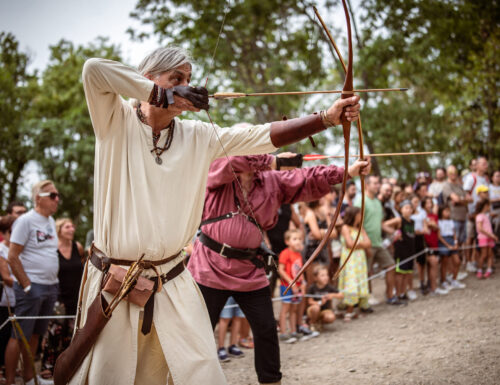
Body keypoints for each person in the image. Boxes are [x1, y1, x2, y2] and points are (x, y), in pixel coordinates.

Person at [76, 46, 362, 385]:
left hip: (171, 282)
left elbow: (260, 136)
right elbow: (94, 69)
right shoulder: (113, 119)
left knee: (202, 373)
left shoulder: (196, 135)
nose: (186, 87)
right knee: (114, 375)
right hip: (116, 279)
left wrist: (326, 118)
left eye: (189, 81)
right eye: (176, 79)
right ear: (149, 79)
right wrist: (162, 94)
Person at [188, 152, 369, 384]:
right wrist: (273, 161)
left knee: (266, 330)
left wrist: (348, 172)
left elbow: (307, 178)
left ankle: (271, 381)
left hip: (249, 269)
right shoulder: (218, 170)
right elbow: (231, 162)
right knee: (197, 335)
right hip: (210, 267)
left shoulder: (271, 180)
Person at [5, 180, 60, 385]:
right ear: (38, 198)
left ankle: (29, 378)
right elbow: (12, 256)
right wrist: (27, 285)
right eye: (53, 195)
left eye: (58, 195)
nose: (57, 199)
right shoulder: (25, 221)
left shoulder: (51, 221)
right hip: (32, 286)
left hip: (50, 285)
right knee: (19, 335)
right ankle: (10, 380)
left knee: (36, 334)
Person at [40, 218, 85, 378]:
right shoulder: (52, 248)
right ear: (59, 230)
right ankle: (48, 365)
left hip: (76, 294)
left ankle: (66, 366)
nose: (72, 229)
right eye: (68, 227)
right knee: (55, 331)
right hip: (58, 295)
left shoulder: (77, 247)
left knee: (72, 331)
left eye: (73, 226)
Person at [354, 176, 397, 305]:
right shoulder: (360, 201)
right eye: (375, 183)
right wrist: (365, 244)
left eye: (378, 183)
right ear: (366, 185)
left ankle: (390, 295)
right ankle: (368, 297)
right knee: (367, 271)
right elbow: (358, 225)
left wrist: (393, 232)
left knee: (391, 266)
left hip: (378, 242)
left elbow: (380, 223)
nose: (377, 185)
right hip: (366, 243)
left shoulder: (378, 203)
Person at [338, 206, 371, 320]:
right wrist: (361, 244)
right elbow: (349, 244)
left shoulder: (360, 228)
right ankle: (348, 310)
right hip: (350, 260)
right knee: (351, 282)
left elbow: (368, 243)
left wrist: (358, 245)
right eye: (359, 214)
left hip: (360, 260)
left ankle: (359, 307)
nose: (361, 216)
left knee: (359, 281)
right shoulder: (345, 228)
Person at [278, 229, 307, 343]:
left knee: (294, 309)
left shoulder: (298, 254)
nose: (298, 241)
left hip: (298, 287)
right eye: (294, 239)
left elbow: (300, 270)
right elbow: (281, 270)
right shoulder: (285, 253)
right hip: (286, 286)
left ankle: (293, 331)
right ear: (287, 241)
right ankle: (284, 333)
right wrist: (291, 283)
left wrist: (303, 283)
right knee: (285, 309)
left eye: (300, 239)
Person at [463, 156, 489, 271]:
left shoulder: (486, 179)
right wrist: (469, 211)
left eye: (486, 164)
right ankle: (468, 261)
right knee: (470, 237)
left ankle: (477, 261)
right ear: (477, 165)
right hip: (471, 213)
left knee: (480, 237)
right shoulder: (471, 178)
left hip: (482, 213)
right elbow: (466, 194)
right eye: (483, 164)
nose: (486, 166)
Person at [442, 165, 469, 264]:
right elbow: (456, 198)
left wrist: (460, 200)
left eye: (455, 173)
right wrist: (462, 200)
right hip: (453, 218)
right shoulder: (447, 185)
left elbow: (470, 199)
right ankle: (452, 267)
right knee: (454, 242)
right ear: (448, 174)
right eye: (451, 173)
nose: (453, 175)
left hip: (463, 216)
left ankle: (457, 267)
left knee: (462, 241)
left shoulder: (459, 185)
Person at [0, 215, 16, 375]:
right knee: (5, 336)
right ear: (4, 233)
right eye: (11, 232)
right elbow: (6, 277)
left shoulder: (20, 248)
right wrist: (28, 285)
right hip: (7, 301)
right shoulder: (1, 250)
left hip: (20, 299)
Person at [422, 197, 448, 295]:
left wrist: (432, 225)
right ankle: (433, 287)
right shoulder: (421, 215)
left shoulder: (434, 215)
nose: (429, 205)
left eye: (430, 203)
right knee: (434, 263)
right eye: (427, 203)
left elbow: (437, 227)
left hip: (434, 243)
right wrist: (429, 224)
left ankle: (432, 286)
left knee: (433, 265)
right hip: (426, 243)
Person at [392, 200, 416, 303]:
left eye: (410, 208)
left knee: (407, 273)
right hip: (401, 252)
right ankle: (397, 294)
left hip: (410, 251)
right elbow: (385, 224)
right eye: (406, 208)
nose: (408, 210)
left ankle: (403, 293)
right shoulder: (399, 220)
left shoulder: (412, 222)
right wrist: (394, 232)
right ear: (401, 209)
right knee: (400, 274)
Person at [437, 206, 465, 290]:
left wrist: (455, 242)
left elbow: (454, 233)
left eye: (449, 211)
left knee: (457, 261)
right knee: (444, 262)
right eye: (446, 211)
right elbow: (439, 236)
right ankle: (443, 281)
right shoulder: (439, 222)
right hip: (443, 241)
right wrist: (447, 245)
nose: (448, 213)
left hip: (451, 240)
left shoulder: (451, 221)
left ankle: (454, 279)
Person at [216, 297, 245, 362]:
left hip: (242, 291)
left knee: (238, 317)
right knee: (225, 317)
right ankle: (221, 348)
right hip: (226, 290)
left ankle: (232, 345)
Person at [410, 194, 428, 298]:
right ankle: (411, 286)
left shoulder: (422, 212)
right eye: (414, 201)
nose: (416, 204)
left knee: (422, 261)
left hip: (420, 239)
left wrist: (423, 230)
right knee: (413, 263)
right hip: (412, 239)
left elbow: (424, 225)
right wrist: (420, 231)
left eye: (417, 201)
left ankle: (422, 281)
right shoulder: (408, 213)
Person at [475, 199, 498, 278]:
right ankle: (480, 270)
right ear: (486, 206)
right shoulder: (479, 216)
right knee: (483, 255)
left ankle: (489, 269)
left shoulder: (486, 216)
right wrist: (491, 235)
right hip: (483, 237)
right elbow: (480, 228)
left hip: (489, 237)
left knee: (490, 254)